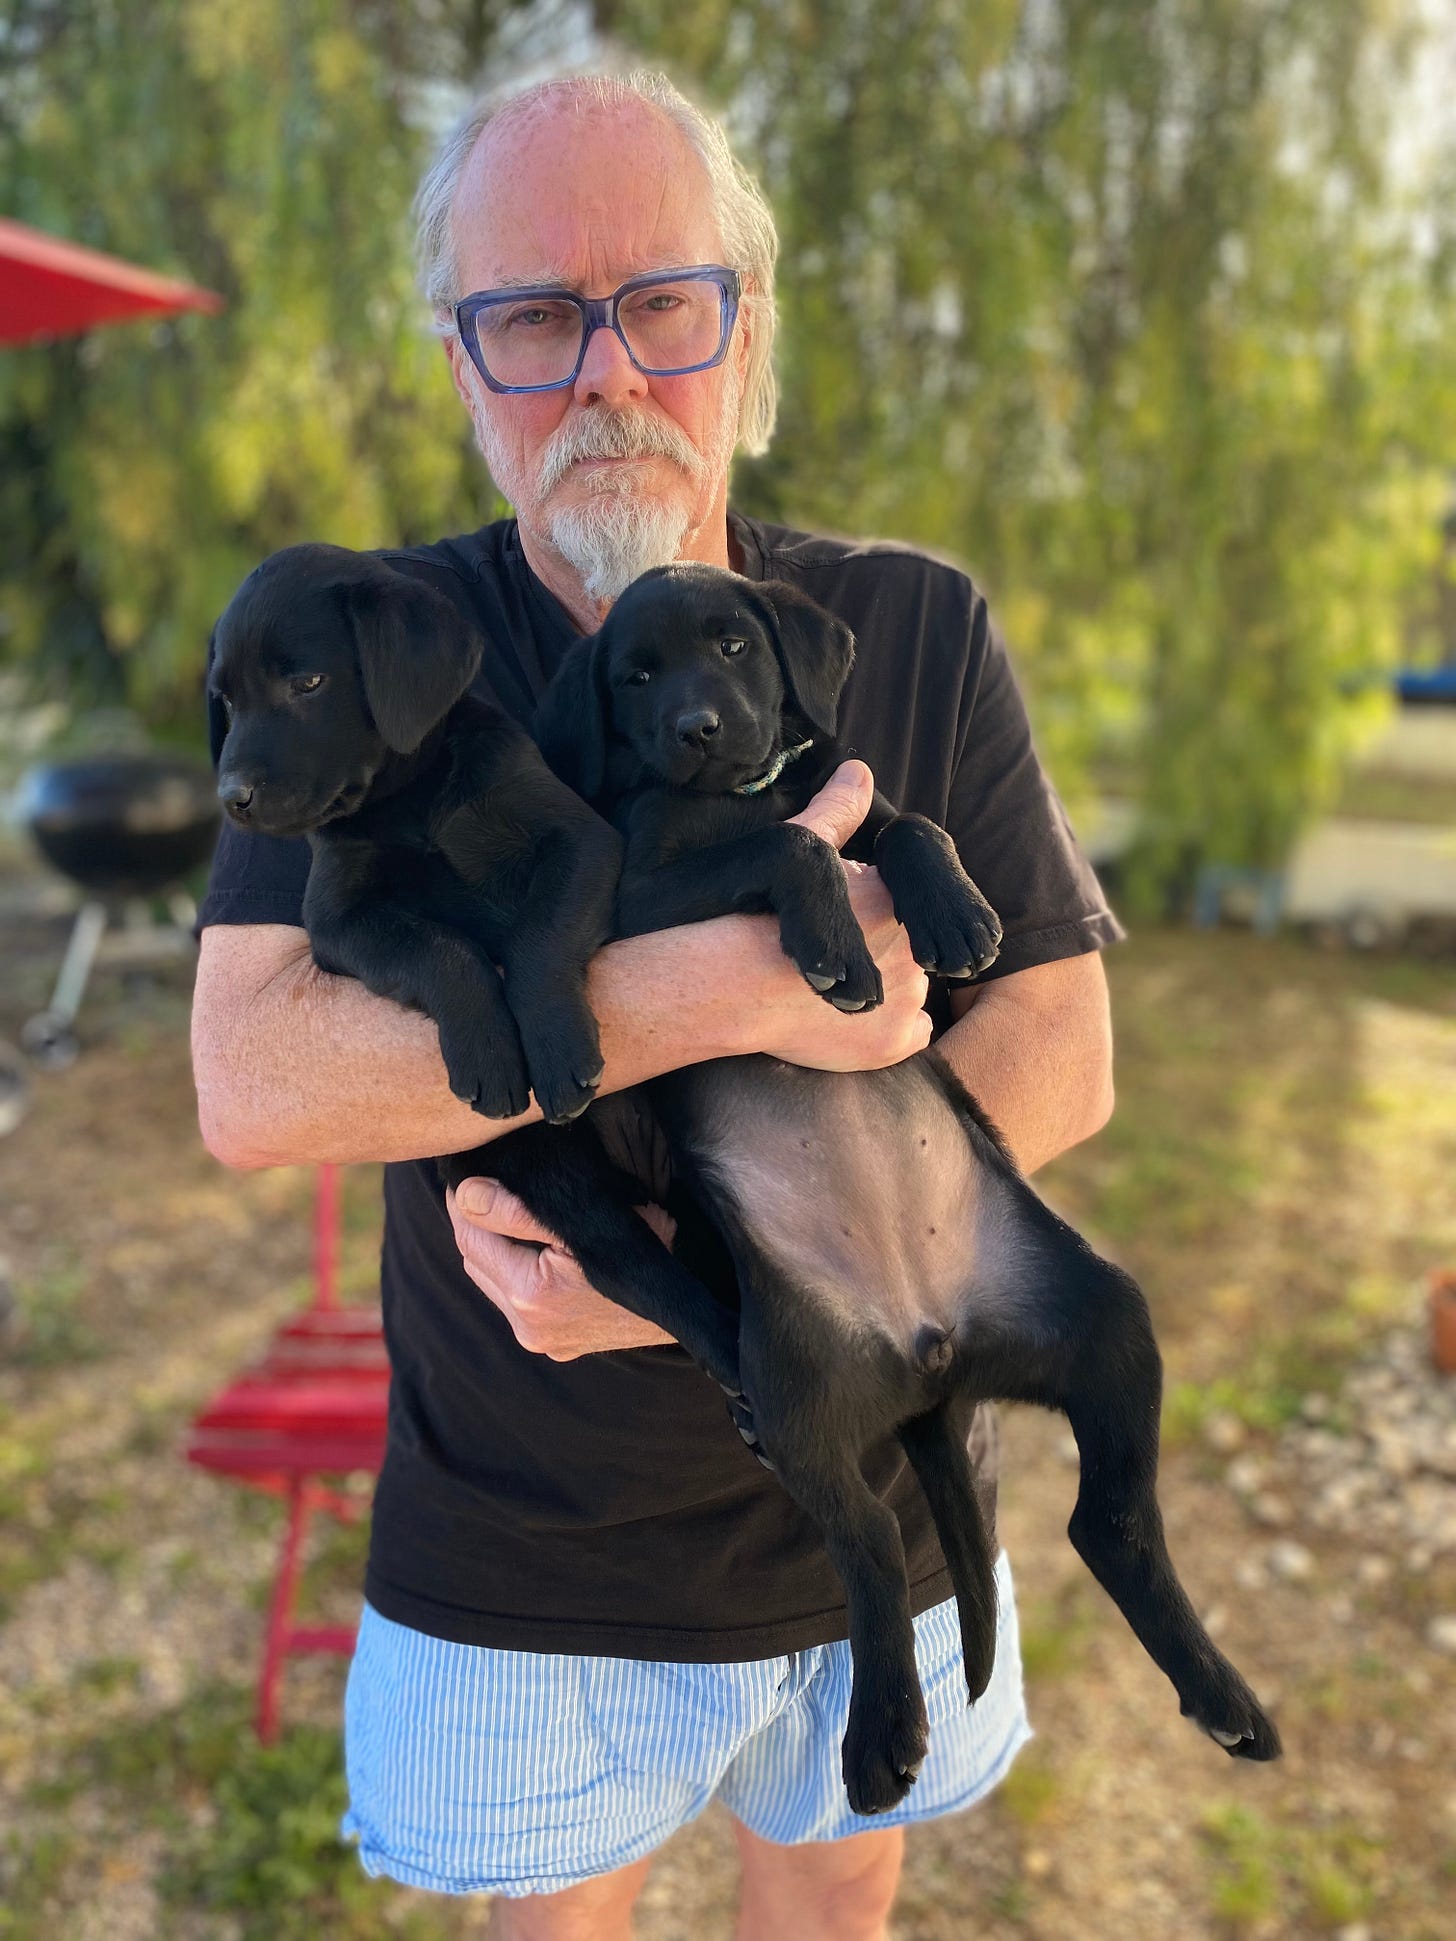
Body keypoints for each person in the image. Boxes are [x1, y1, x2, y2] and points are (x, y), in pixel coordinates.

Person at [190, 68, 1122, 1941]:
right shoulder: (377, 654)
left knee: (843, 1883)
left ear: (742, 332)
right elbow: (256, 1076)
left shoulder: (911, 625)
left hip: (888, 1500)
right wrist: (735, 978)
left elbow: (1061, 1049)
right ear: (463, 364)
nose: (606, 373)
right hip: (534, 1550)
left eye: (661, 304)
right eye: (534, 314)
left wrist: (708, 1301)